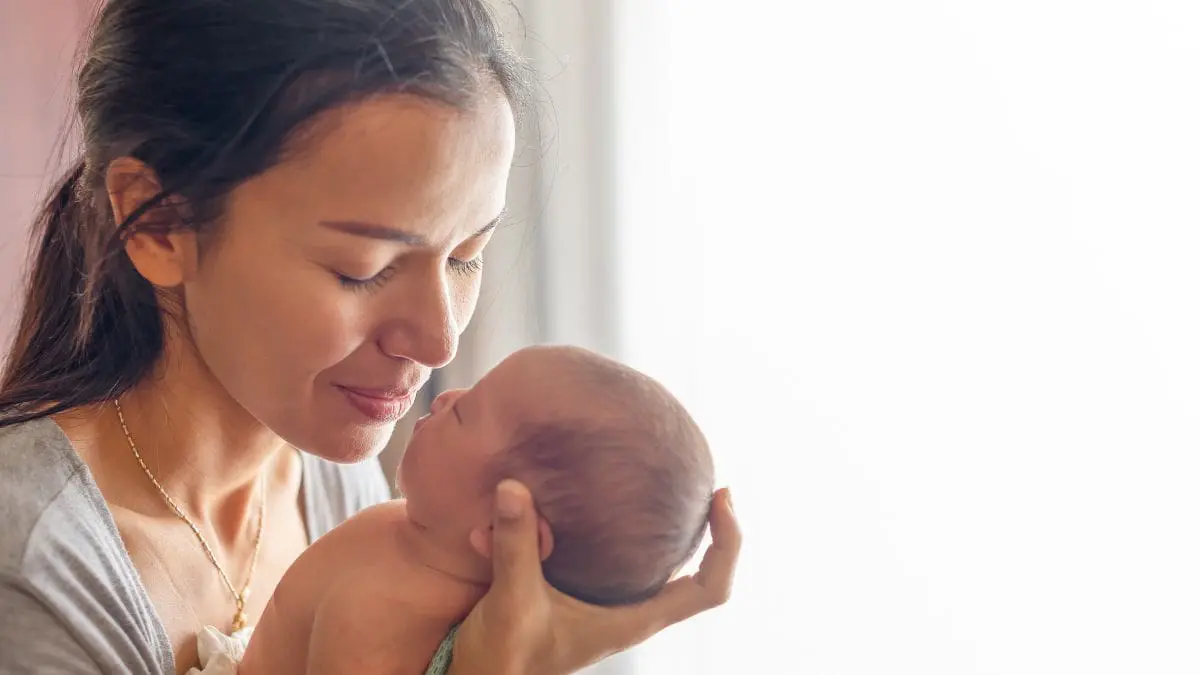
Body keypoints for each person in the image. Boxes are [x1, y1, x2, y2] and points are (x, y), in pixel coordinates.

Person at [0, 1, 740, 674]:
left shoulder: (347, 483)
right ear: (159, 222)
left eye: (464, 257)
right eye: (364, 269)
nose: (439, 340)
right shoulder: (34, 567)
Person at [238, 345, 717, 675]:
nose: (447, 396)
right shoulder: (420, 538)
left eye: (466, 413)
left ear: (505, 528)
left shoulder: (382, 614)